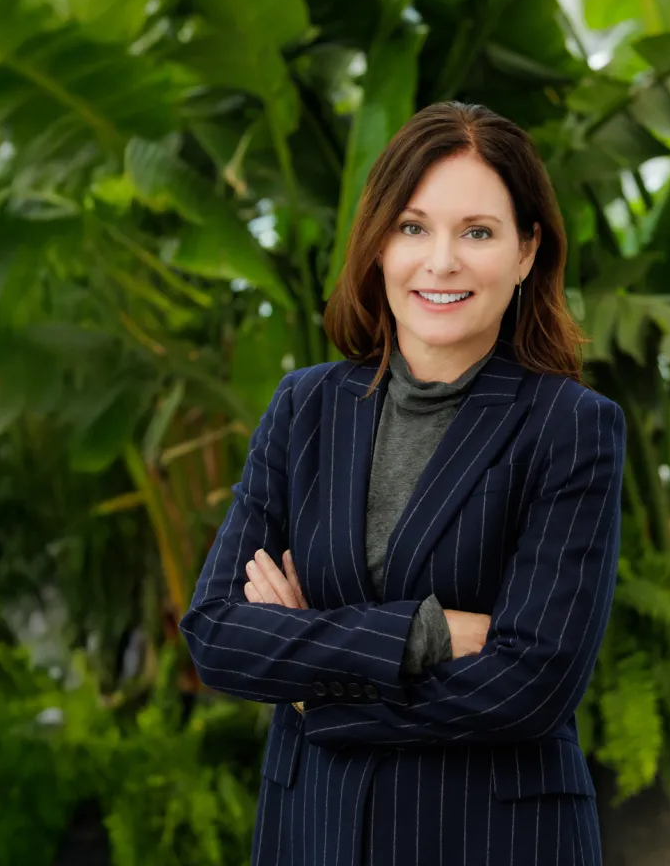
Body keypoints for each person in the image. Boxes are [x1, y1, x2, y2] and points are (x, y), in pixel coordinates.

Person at [180, 100, 626, 866]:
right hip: (313, 833)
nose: (441, 261)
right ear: (379, 244)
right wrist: (424, 634)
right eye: (413, 227)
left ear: (526, 252)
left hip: (491, 840)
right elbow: (219, 635)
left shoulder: (570, 427)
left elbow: (531, 683)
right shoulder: (305, 407)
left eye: (477, 232)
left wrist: (311, 685)